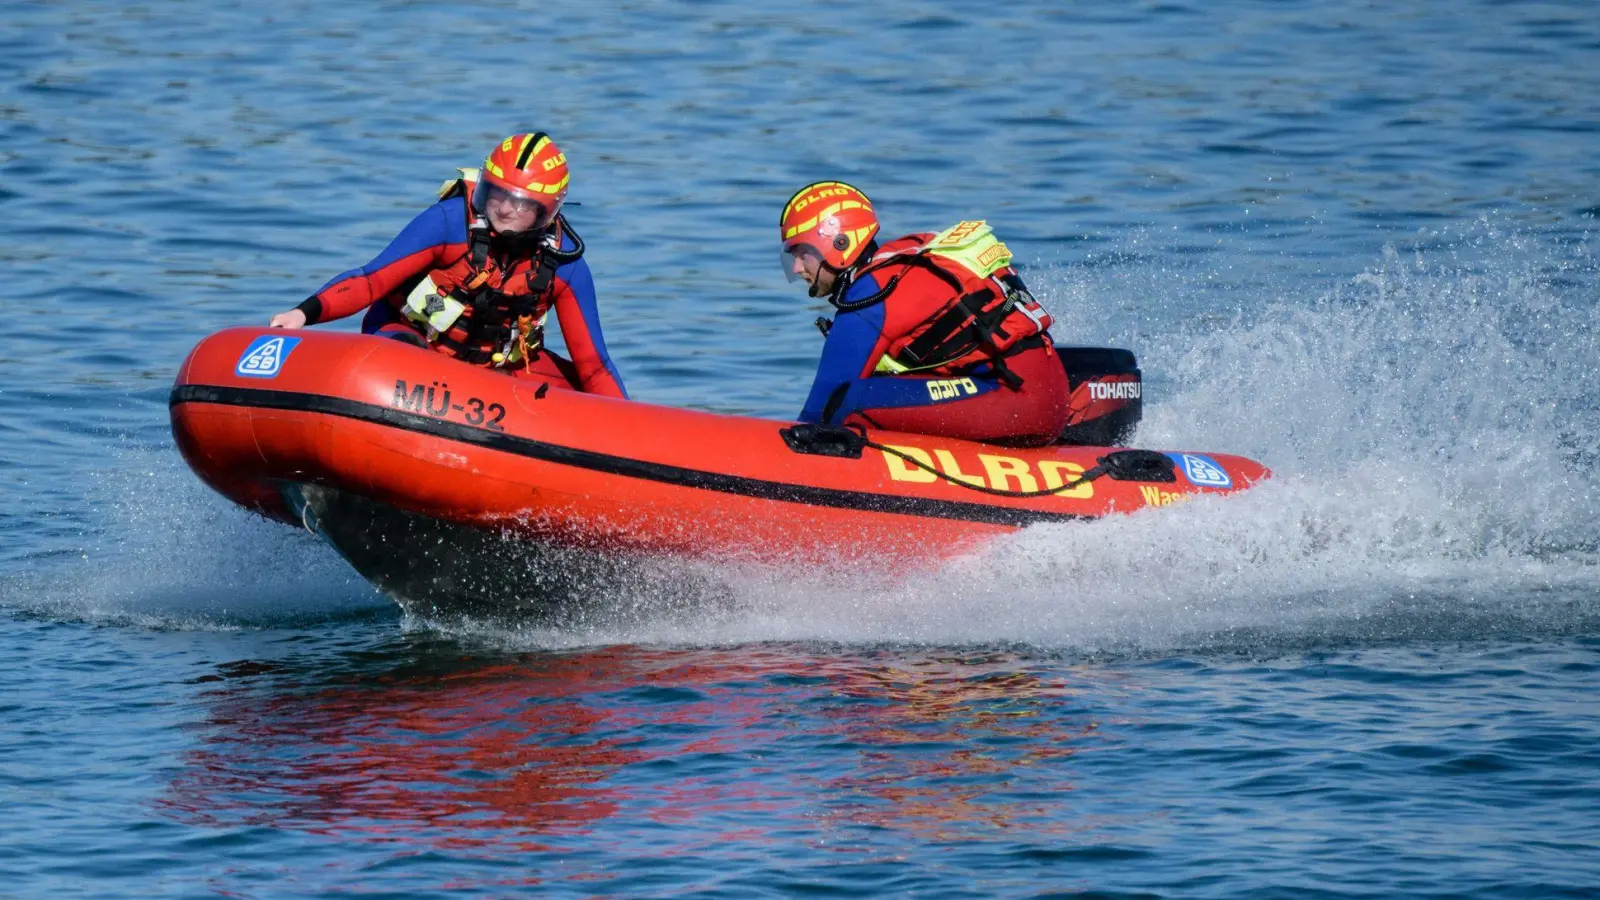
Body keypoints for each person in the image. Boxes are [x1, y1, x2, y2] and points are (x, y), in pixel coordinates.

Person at [268, 132, 627, 398]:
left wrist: (630, 428)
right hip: (409, 341)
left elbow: (594, 365)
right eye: (497, 193)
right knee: (404, 357)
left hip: (495, 370)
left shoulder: (565, 264)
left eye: (519, 203)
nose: (504, 209)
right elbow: (369, 281)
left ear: (546, 211)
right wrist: (302, 314)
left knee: (579, 391)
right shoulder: (449, 222)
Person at [779, 181, 1068, 446]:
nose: (796, 268)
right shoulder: (906, 257)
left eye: (802, 253)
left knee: (847, 400)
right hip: (1043, 393)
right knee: (877, 389)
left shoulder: (870, 294)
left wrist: (784, 451)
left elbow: (820, 408)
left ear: (839, 243)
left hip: (1017, 402)